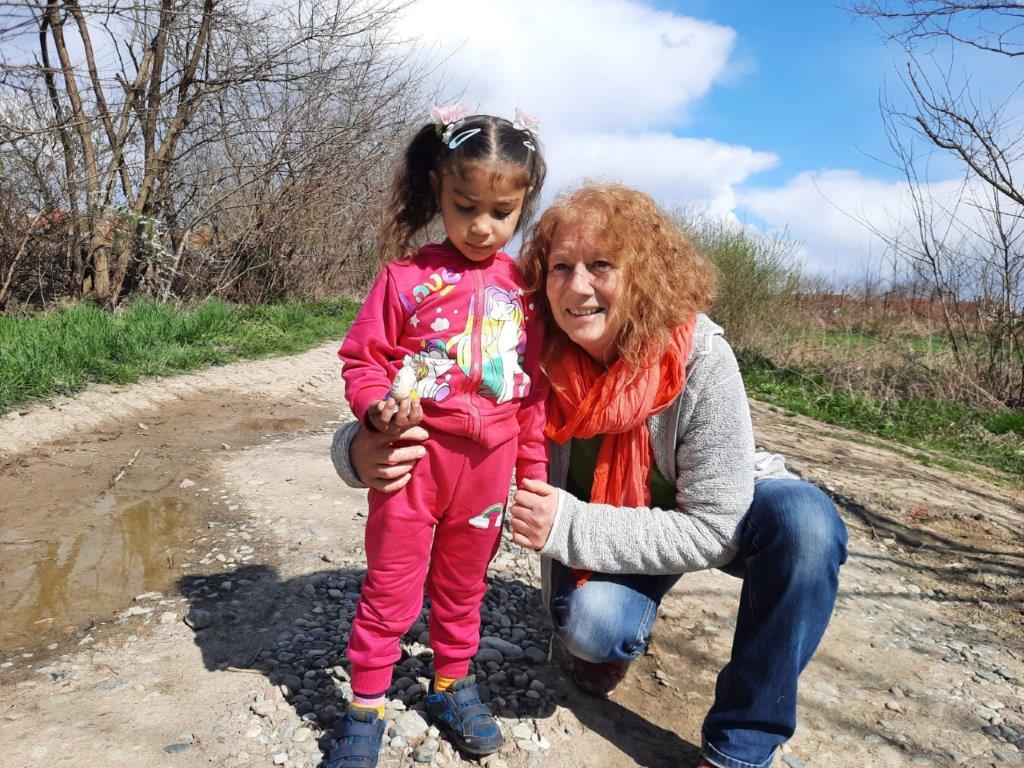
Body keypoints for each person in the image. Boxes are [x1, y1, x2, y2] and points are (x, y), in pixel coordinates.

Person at [331, 183, 848, 768]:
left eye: (601, 265)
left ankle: (740, 747)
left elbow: (713, 525)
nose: (578, 287)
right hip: (626, 524)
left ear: (644, 274)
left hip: (714, 514)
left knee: (807, 526)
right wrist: (356, 449)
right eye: (561, 267)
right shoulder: (532, 343)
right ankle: (610, 641)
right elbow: (438, 393)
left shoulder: (700, 354)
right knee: (593, 628)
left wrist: (567, 525)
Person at [327, 103, 549, 768]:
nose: (482, 226)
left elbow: (533, 393)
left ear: (524, 206)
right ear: (437, 189)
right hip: (414, 461)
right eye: (465, 205)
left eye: (502, 212)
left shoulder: (526, 291)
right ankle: (365, 705)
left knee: (463, 584)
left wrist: (533, 475)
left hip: (487, 472)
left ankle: (451, 682)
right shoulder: (405, 279)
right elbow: (363, 360)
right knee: (391, 583)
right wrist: (375, 411)